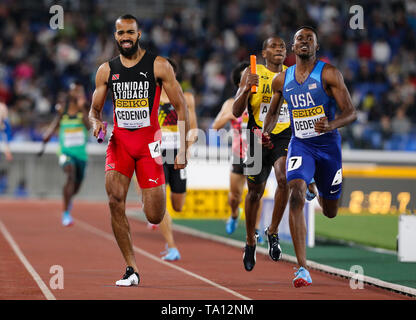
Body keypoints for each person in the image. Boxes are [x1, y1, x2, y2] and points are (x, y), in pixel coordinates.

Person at [89, 14, 190, 287]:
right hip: (120, 143)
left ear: (139, 34)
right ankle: (131, 268)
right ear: (115, 36)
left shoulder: (159, 66)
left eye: (129, 32)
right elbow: (94, 110)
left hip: (149, 146)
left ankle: (150, 193)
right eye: (120, 33)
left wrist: (182, 151)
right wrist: (95, 122)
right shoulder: (106, 71)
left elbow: (181, 108)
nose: (125, 38)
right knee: (114, 200)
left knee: (155, 214)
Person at [262, 26, 357, 287]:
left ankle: (317, 184)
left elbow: (351, 112)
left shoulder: (329, 73)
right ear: (293, 47)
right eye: (299, 39)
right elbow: (271, 113)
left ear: (316, 47)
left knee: (330, 212)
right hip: (301, 145)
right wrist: (266, 132)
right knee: (295, 191)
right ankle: (302, 267)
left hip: (328, 149)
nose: (304, 42)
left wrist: (332, 124)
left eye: (309, 39)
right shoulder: (282, 80)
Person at [232, 36, 293, 272]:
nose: (279, 49)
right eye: (273, 46)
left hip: (283, 135)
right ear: (264, 53)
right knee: (254, 193)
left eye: (282, 47)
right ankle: (250, 241)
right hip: (256, 135)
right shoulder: (252, 71)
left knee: (284, 178)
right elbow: (237, 111)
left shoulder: (291, 74)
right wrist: (246, 88)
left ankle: (273, 231)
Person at [147, 57, 198, 261]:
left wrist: (186, 148)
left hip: (178, 153)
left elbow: (193, 129)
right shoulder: (151, 98)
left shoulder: (186, 98)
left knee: (178, 205)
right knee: (161, 202)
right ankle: (171, 245)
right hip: (157, 154)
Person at [212, 62, 264, 244]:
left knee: (256, 194)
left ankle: (256, 230)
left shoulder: (261, 99)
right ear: (239, 82)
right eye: (245, 76)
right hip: (238, 155)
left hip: (257, 154)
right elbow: (215, 126)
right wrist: (229, 115)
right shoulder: (230, 103)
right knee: (234, 196)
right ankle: (234, 214)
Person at [40, 81, 90, 226]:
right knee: (70, 174)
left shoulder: (84, 109)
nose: (78, 94)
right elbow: (56, 122)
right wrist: (48, 135)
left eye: (80, 91)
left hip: (80, 154)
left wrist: (82, 110)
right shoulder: (62, 109)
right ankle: (66, 213)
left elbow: (88, 127)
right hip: (65, 151)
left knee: (77, 185)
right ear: (70, 93)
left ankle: (69, 200)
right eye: (75, 91)